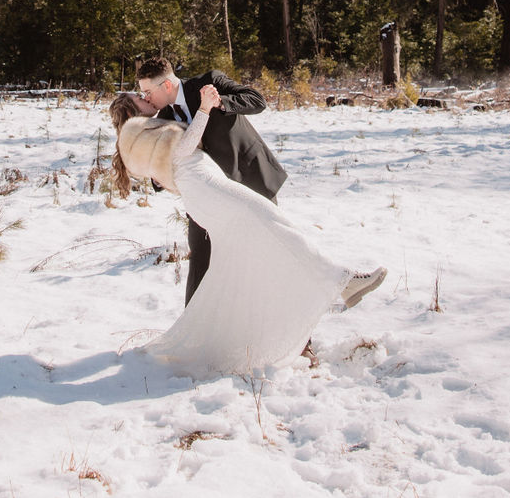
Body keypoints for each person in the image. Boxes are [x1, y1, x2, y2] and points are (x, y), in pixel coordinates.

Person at [108, 84, 386, 379]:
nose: (145, 98)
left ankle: (235, 338)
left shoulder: (147, 128)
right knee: (278, 229)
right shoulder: (136, 132)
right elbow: (183, 150)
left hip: (210, 189)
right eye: (139, 97)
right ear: (132, 110)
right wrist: (203, 109)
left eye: (144, 92)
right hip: (211, 191)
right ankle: (343, 282)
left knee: (249, 260)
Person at [135, 56, 285, 303]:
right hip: (206, 196)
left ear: (167, 86)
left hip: (248, 178)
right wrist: (158, 177)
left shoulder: (209, 81)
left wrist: (219, 103)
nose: (146, 98)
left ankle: (299, 337)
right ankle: (194, 334)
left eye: (148, 91)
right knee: (200, 262)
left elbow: (257, 101)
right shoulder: (162, 119)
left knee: (270, 254)